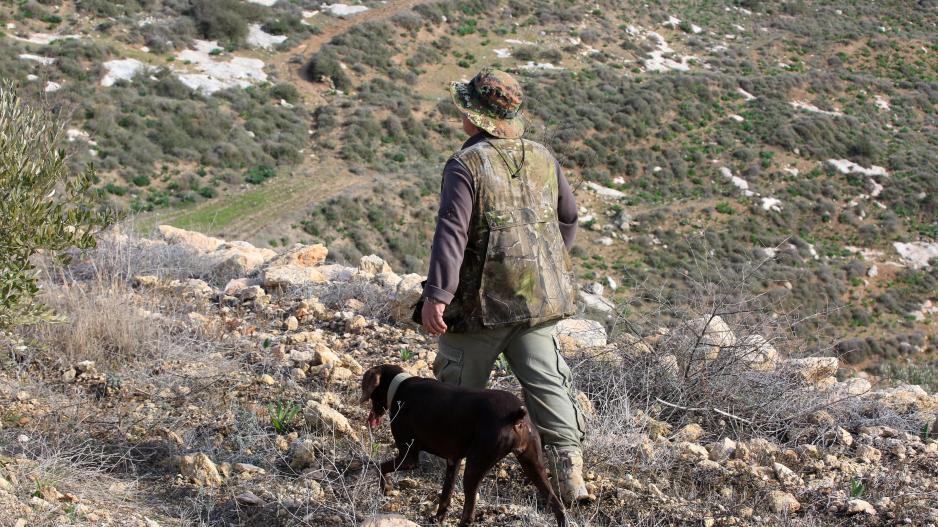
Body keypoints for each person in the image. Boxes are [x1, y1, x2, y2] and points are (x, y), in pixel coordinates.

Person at [420, 67, 592, 504]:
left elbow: (452, 234)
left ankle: (440, 472)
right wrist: (547, 263)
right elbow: (569, 218)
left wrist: (438, 295)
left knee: (458, 388)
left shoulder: (466, 164)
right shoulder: (542, 156)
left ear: (473, 116)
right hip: (537, 300)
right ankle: (571, 478)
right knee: (549, 383)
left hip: (481, 307)